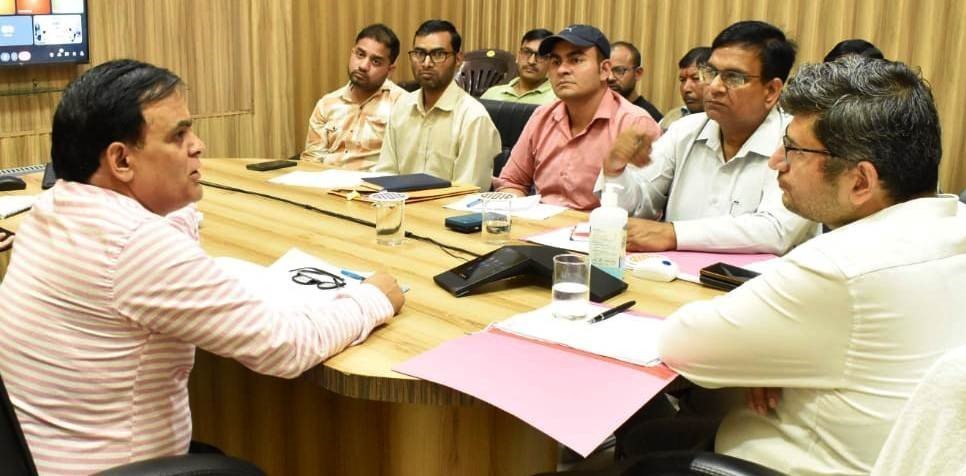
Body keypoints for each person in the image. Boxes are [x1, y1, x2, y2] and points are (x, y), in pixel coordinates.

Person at [0, 59, 405, 475]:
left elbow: (167, 235)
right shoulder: (136, 246)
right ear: (121, 160)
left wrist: (175, 201)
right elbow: (286, 346)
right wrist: (373, 298)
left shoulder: (52, 207)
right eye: (179, 135)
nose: (198, 145)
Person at [656, 56, 966, 474]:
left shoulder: (841, 267)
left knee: (646, 443)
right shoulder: (953, 225)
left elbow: (681, 344)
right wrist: (773, 353)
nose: (775, 161)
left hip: (795, 462)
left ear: (860, 181)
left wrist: (764, 356)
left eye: (793, 148)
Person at [600, 21, 817, 254]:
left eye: (733, 77)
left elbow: (776, 230)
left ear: (771, 91)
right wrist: (616, 172)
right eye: (711, 72)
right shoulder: (685, 130)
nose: (713, 87)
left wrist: (673, 234)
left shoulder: (800, 144)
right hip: (672, 272)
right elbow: (636, 208)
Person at [496, 25, 660, 211]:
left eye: (575, 60)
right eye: (555, 61)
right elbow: (511, 182)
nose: (562, 70)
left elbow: (646, 208)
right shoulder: (542, 116)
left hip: (601, 227)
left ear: (604, 70)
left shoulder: (634, 123)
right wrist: (517, 210)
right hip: (539, 224)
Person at [373, 20, 500, 190]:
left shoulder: (473, 118)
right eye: (419, 53)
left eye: (438, 54)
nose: (426, 63)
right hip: (398, 204)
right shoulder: (402, 106)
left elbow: (469, 192)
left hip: (450, 207)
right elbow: (385, 174)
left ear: (458, 59)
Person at [301, 24, 406, 169]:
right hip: (326, 179)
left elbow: (405, 164)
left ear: (390, 70)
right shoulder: (327, 104)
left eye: (375, 61)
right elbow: (312, 160)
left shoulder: (402, 105)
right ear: (352, 53)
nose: (363, 66)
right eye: (360, 54)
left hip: (373, 182)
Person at [480, 28, 556, 105]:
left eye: (541, 55)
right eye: (526, 52)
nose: (531, 61)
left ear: (551, 62)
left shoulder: (556, 99)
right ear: (518, 56)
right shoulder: (492, 94)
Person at [607, 41, 663, 121]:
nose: (610, 78)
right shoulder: (596, 110)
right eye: (606, 70)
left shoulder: (649, 118)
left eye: (619, 70)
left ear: (638, 73)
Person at [658, 46, 711, 131]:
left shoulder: (725, 122)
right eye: (682, 80)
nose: (686, 88)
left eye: (696, 78)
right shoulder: (672, 117)